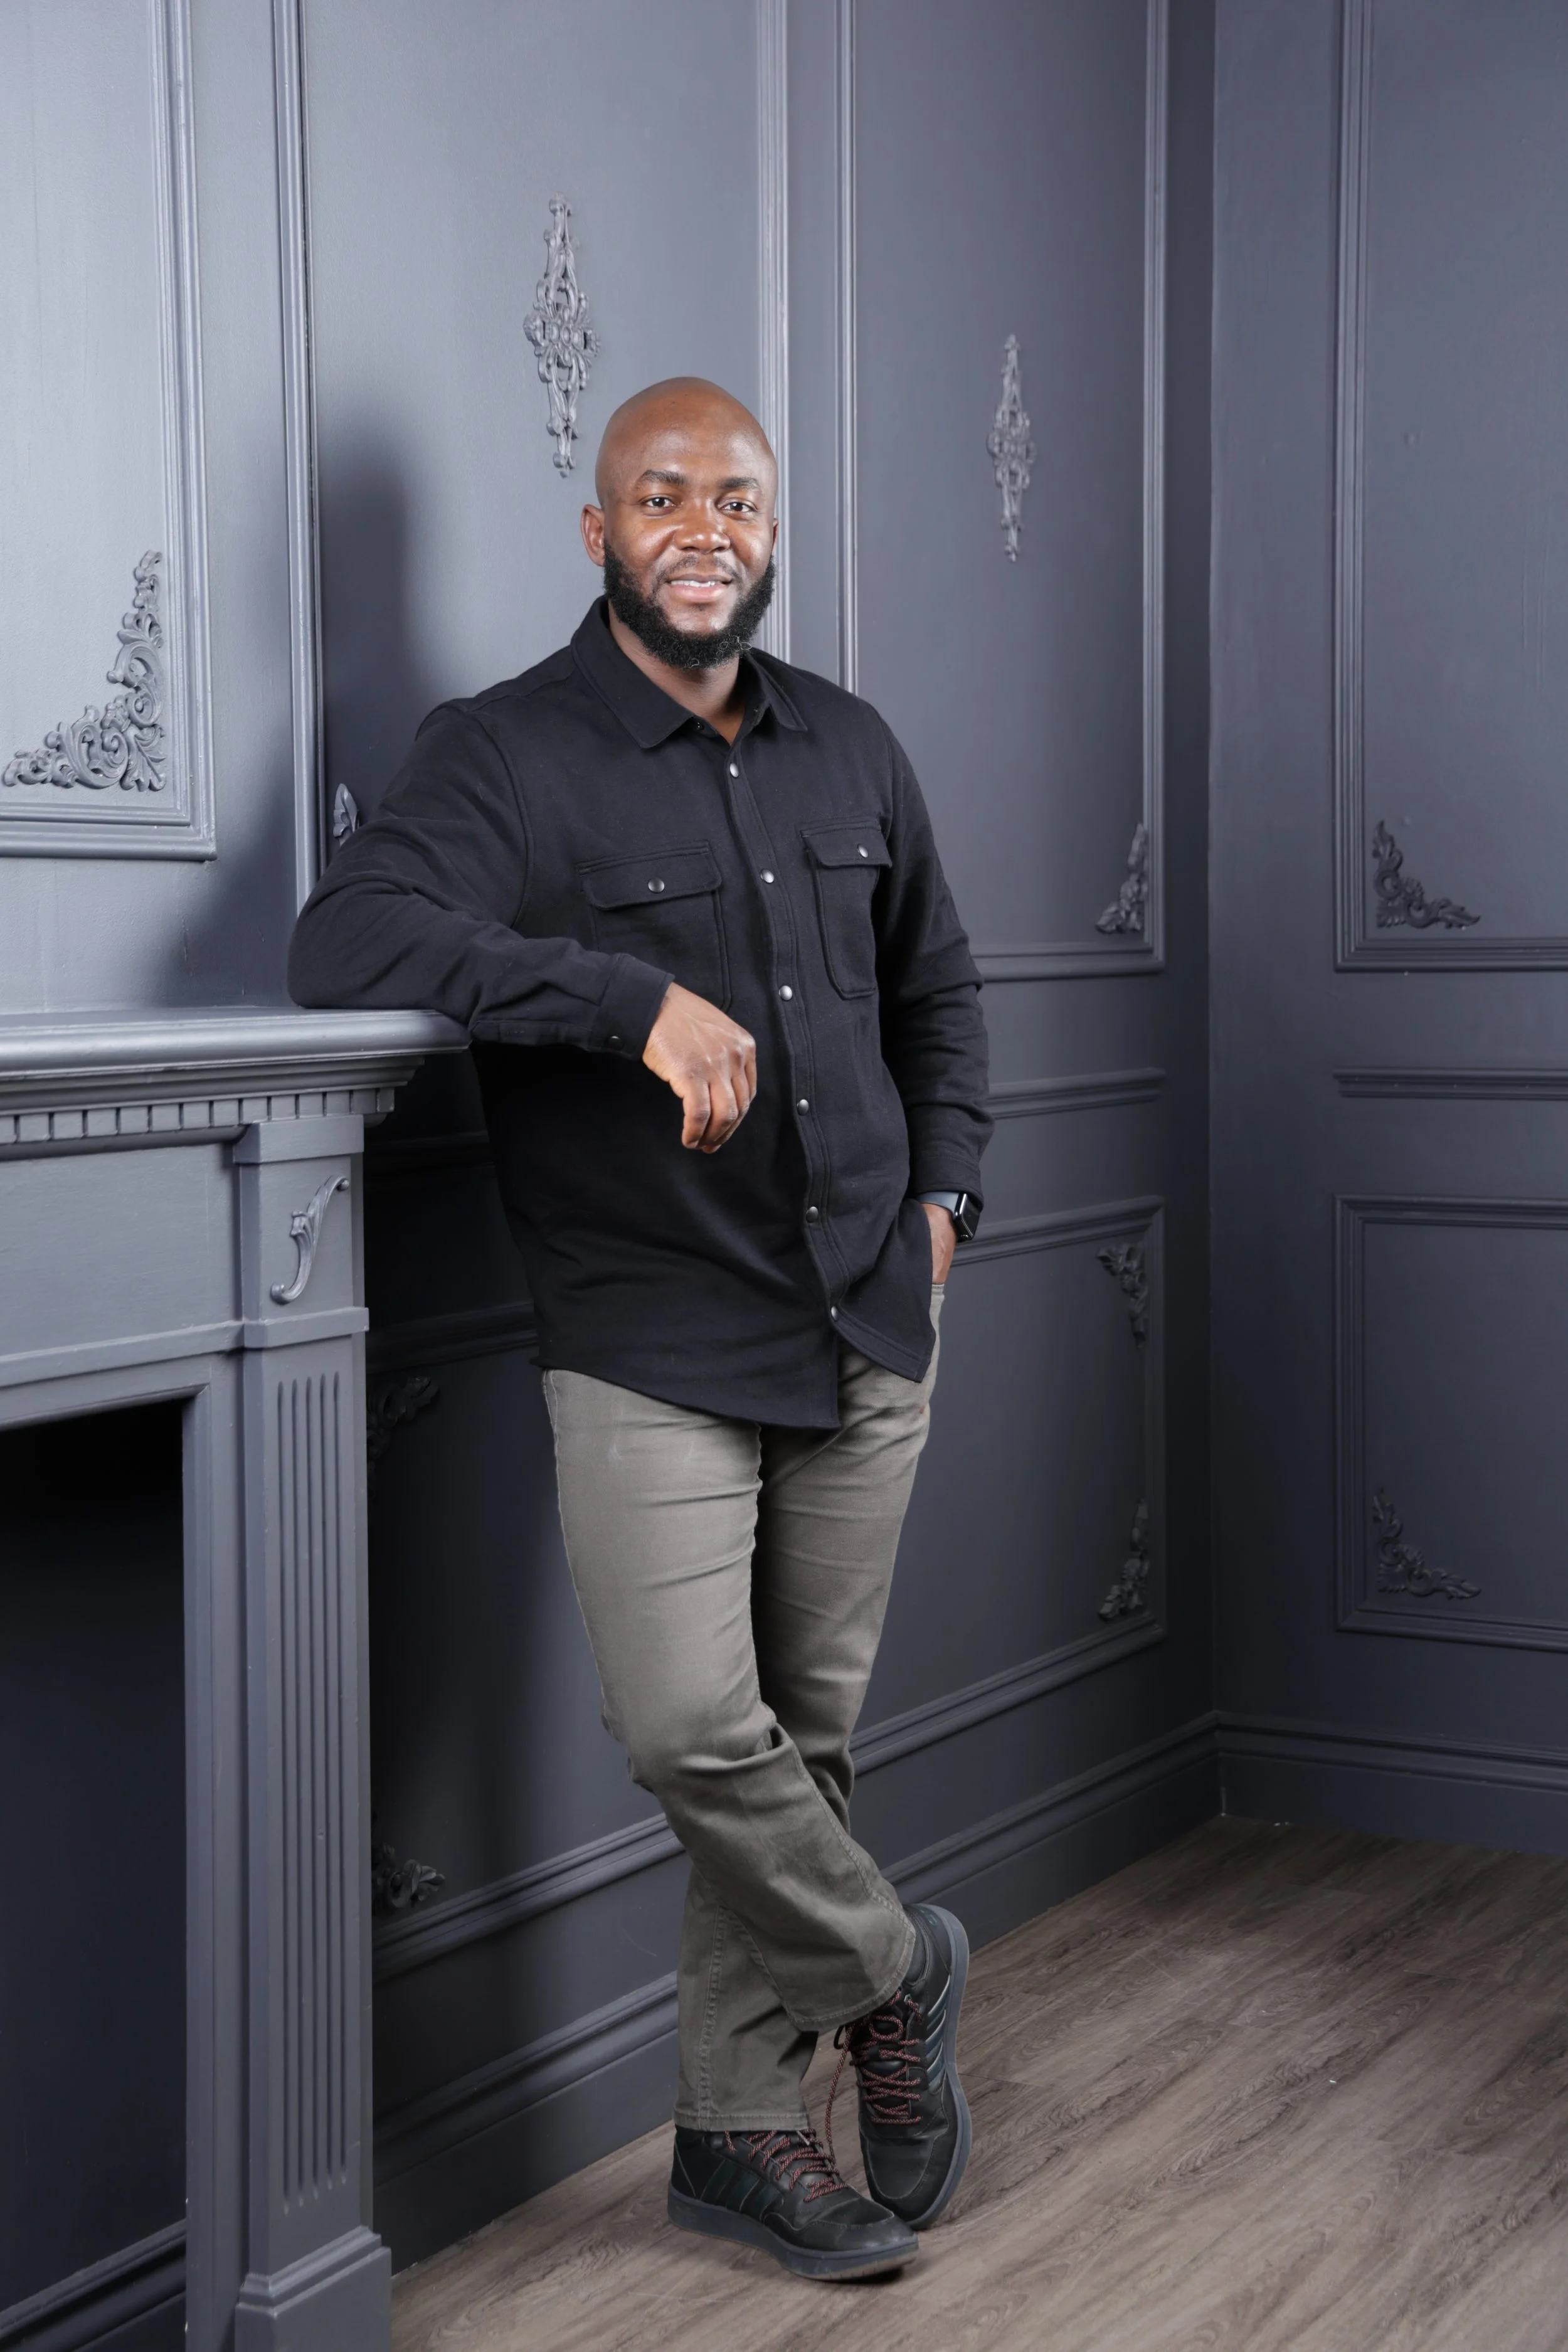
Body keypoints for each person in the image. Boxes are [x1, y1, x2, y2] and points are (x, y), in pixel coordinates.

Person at [289, 378, 992, 2282]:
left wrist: (946, 1206)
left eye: (738, 496)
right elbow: (345, 942)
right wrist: (620, 997)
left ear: (773, 527)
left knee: (804, 1741)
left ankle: (748, 2137)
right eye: (661, 495)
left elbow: (940, 997)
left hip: (864, 1312)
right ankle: (892, 1967)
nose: (705, 523)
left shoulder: (852, 745)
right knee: (696, 1725)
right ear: (597, 533)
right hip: (644, 1328)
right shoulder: (500, 754)